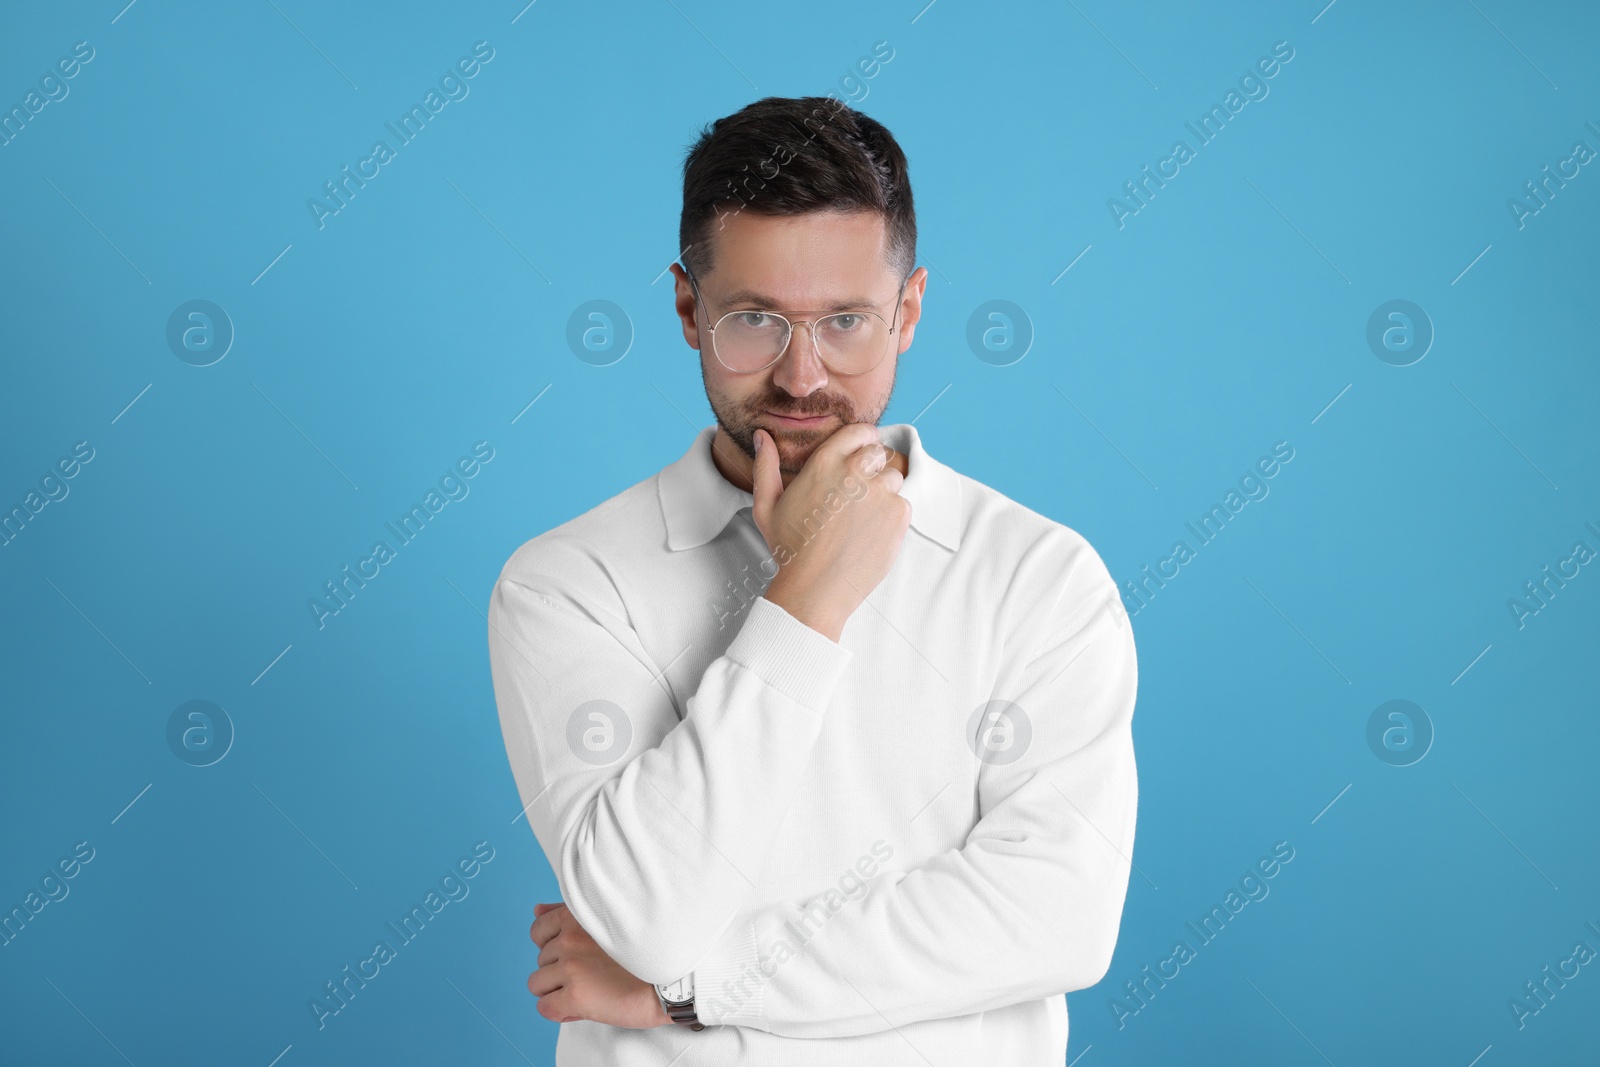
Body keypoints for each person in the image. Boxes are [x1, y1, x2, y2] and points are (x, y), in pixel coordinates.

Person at [487, 94, 1139, 1065]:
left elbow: (1056, 917)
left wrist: (683, 991)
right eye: (753, 319)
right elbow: (647, 917)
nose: (801, 377)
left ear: (908, 311)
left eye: (845, 321)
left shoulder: (1039, 578)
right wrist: (806, 598)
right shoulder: (569, 583)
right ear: (685, 309)